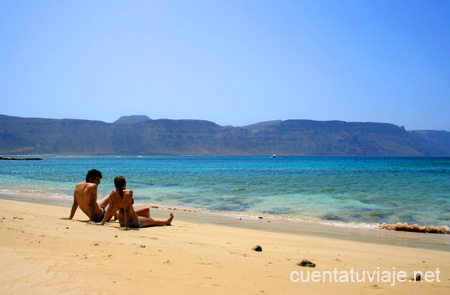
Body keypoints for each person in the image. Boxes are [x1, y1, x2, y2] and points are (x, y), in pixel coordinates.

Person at [99, 176, 173, 230]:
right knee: (153, 222)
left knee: (146, 210)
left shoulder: (113, 193)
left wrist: (102, 223)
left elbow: (109, 210)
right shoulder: (128, 192)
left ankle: (146, 220)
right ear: (125, 184)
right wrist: (126, 226)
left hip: (121, 221)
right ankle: (167, 221)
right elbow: (127, 210)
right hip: (133, 222)